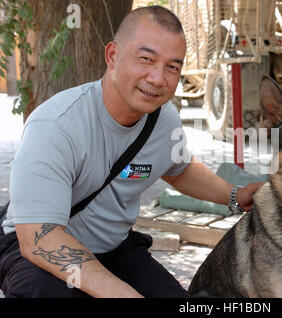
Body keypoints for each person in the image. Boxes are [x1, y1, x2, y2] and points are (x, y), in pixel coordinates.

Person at [0, 6, 262, 298]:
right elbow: (40, 238)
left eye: (172, 67)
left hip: (115, 250)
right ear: (112, 56)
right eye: (146, 59)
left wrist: (235, 195)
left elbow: (179, 169)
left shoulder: (164, 120)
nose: (158, 78)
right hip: (38, 249)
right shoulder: (56, 125)